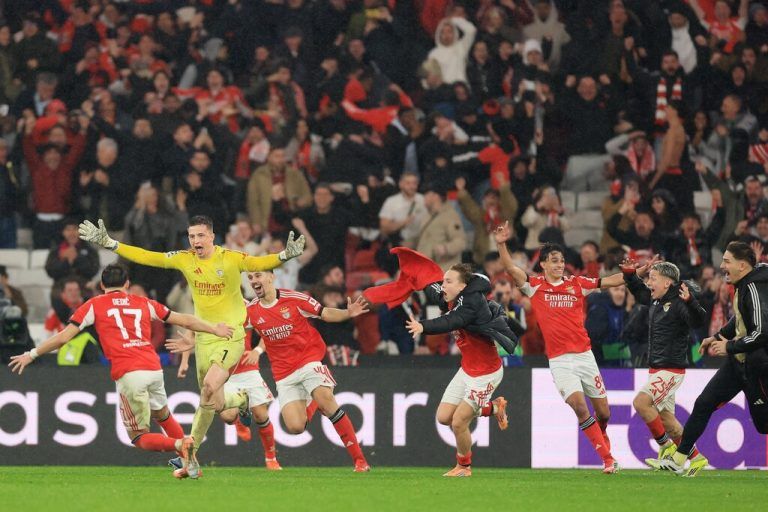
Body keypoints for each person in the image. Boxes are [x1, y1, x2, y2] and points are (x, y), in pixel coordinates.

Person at [78, 215, 305, 479]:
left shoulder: (231, 258)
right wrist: (110, 244)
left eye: (200, 235)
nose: (195, 241)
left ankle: (188, 457)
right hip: (204, 339)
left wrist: (285, 255)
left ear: (211, 236)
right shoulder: (185, 259)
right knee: (217, 403)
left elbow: (259, 262)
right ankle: (241, 399)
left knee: (209, 387)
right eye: (191, 236)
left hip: (230, 334)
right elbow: (148, 256)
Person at [8, 265, 234, 462]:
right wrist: (214, 328)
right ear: (127, 283)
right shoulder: (144, 302)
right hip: (153, 368)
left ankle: (179, 445)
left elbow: (63, 337)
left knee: (138, 437)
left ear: (102, 285)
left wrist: (32, 354)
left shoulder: (94, 305)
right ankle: (190, 460)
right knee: (163, 414)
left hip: (129, 372)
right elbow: (183, 318)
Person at [494, 221, 627, 474]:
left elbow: (608, 281)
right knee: (579, 407)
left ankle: (603, 436)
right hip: (560, 361)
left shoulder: (577, 284)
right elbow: (510, 267)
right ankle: (607, 458)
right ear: (543, 264)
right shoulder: (535, 286)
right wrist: (501, 243)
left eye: (561, 260)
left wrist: (636, 274)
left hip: (585, 357)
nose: (559, 264)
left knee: (605, 413)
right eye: (554, 260)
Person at [241, 270, 371, 472]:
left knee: (328, 403)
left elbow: (325, 313)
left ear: (271, 277)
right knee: (295, 427)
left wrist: (348, 313)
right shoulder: (251, 311)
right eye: (250, 278)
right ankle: (314, 402)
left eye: (258, 276)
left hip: (308, 359)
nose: (254, 281)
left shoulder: (294, 298)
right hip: (283, 372)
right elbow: (231, 330)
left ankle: (360, 461)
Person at [662, 242, 768, 476]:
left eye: (727, 261)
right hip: (739, 363)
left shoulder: (754, 288)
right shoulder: (743, 284)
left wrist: (728, 346)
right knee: (704, 403)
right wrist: (718, 336)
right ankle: (679, 458)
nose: (722, 266)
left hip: (759, 366)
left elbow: (762, 333)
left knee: (763, 425)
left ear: (742, 265)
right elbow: (740, 321)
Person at [405, 263, 513, 477]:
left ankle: (464, 467)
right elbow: (434, 290)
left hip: (486, 373)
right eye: (444, 280)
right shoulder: (452, 298)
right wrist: (417, 276)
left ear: (463, 286)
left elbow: (450, 321)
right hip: (467, 370)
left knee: (459, 422)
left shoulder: (471, 304)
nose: (443, 285)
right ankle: (493, 408)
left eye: (448, 281)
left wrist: (423, 326)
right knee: (444, 417)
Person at [621, 259, 708, 474]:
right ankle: (697, 458)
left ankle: (666, 447)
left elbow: (698, 321)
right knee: (667, 420)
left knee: (641, 403)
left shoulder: (679, 303)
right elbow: (639, 292)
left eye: (653, 278)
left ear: (667, 283)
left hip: (671, 369)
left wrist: (690, 302)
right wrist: (630, 275)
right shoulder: (656, 301)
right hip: (657, 368)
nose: (649, 283)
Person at [171, 329, 281, 471]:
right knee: (227, 415)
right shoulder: (208, 312)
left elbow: (267, 328)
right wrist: (184, 362)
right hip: (223, 371)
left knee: (261, 415)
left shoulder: (244, 309)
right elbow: (191, 331)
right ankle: (240, 410)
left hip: (247, 368)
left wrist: (258, 350)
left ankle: (271, 458)